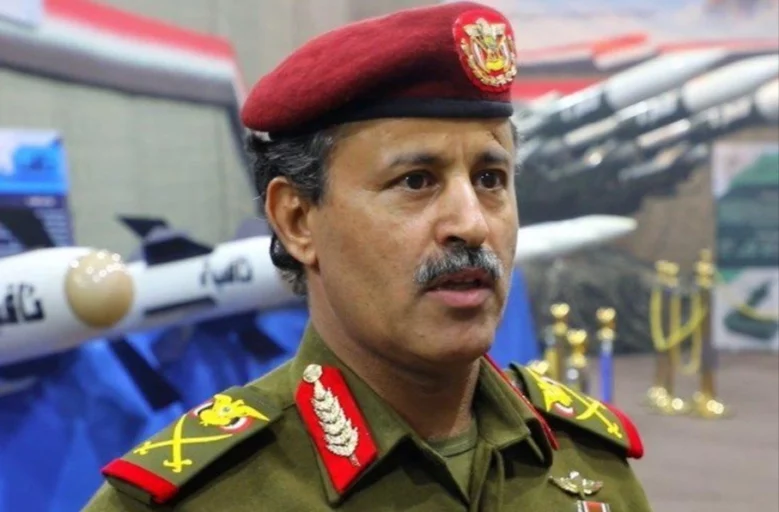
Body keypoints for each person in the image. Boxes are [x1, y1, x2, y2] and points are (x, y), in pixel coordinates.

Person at [83, 2, 652, 510]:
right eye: (416, 181)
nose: (472, 224)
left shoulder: (590, 468)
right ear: (298, 220)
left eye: (490, 179)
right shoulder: (207, 498)